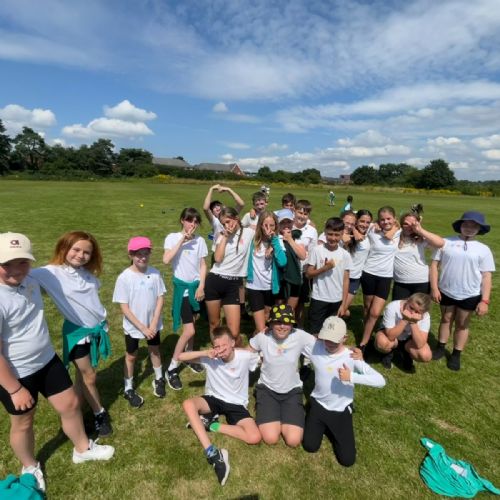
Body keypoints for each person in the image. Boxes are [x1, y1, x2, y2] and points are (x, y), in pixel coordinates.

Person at [0, 233, 114, 493]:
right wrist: (14, 390)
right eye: (6, 264)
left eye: (22, 262)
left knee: (71, 404)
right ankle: (30, 466)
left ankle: (82, 449)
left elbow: (64, 275)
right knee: (23, 422)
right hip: (15, 373)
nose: (16, 270)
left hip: (47, 360)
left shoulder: (32, 279)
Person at [30, 231, 112, 437]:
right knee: (89, 376)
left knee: (83, 376)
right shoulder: (49, 273)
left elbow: (91, 301)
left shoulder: (87, 274)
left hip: (97, 331)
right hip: (77, 333)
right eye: (76, 249)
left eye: (86, 252)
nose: (80, 255)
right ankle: (100, 414)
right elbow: (20, 274)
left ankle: (75, 412)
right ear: (64, 247)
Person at [180, 326, 261, 486]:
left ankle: (210, 425)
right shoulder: (211, 357)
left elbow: (262, 359)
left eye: (224, 345)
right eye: (217, 346)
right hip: (214, 399)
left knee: (254, 437)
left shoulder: (245, 357)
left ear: (233, 343)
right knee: (188, 404)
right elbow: (180, 356)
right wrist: (206, 353)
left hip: (236, 404)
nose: (221, 350)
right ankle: (213, 454)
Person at [302, 316, 385, 466]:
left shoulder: (351, 356)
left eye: (335, 340)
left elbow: (380, 381)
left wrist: (351, 377)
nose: (330, 343)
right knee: (310, 446)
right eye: (327, 339)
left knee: (347, 460)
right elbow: (296, 336)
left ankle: (331, 426)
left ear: (344, 338)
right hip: (319, 403)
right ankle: (322, 424)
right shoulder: (316, 347)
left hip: (340, 409)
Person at [430, 211, 495, 371]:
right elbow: (434, 266)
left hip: (470, 294)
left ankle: (456, 354)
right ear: (460, 225)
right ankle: (440, 347)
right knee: (446, 319)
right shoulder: (445, 242)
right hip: (446, 290)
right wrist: (434, 288)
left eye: (474, 226)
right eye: (466, 224)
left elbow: (486, 276)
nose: (469, 228)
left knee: (462, 324)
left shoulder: (483, 249)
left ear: (479, 228)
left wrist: (484, 300)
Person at [248, 305, 315, 447]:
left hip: (292, 391)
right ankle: (264, 405)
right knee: (270, 438)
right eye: (278, 322)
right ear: (271, 323)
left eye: (287, 322)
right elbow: (245, 353)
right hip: (267, 389)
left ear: (292, 324)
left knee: (293, 440)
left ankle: (279, 413)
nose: (282, 326)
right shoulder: (263, 337)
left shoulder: (300, 336)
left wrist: (348, 351)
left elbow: (324, 348)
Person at [113, 236, 166, 408]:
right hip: (134, 327)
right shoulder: (124, 278)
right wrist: (142, 327)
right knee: (131, 356)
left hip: (152, 325)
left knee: (155, 350)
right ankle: (128, 388)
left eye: (146, 253)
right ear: (131, 255)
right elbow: (124, 307)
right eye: (138, 254)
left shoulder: (155, 273)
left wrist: (153, 323)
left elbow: (160, 298)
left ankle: (159, 378)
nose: (142, 257)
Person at [163, 208, 208, 390]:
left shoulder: (200, 241)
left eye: (196, 222)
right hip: (183, 292)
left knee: (193, 326)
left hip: (196, 290)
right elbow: (166, 260)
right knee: (188, 331)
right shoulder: (172, 237)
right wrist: (183, 240)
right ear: (182, 220)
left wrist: (201, 286)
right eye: (190, 220)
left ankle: (189, 356)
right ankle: (172, 368)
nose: (193, 224)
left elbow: (203, 265)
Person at [204, 207, 254, 346]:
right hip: (215, 280)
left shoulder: (249, 232)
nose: (226, 225)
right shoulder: (221, 235)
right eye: (223, 223)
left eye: (228, 221)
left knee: (234, 331)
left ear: (236, 218)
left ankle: (236, 355)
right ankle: (218, 351)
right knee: (214, 324)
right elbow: (218, 258)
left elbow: (264, 227)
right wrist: (225, 237)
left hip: (233, 284)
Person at [358, 206, 401, 352]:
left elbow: (411, 224)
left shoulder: (399, 231)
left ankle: (363, 342)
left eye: (389, 219)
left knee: (375, 312)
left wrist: (395, 228)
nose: (385, 222)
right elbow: (357, 223)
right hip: (369, 273)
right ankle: (366, 338)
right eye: (382, 219)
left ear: (394, 219)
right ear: (378, 220)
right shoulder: (372, 228)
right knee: (367, 308)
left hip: (385, 277)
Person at [305, 218, 352, 335]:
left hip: (336, 300)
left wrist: (343, 304)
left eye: (337, 235)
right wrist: (324, 268)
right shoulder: (317, 250)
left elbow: (346, 280)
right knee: (315, 332)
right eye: (330, 234)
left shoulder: (345, 254)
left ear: (342, 234)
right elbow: (308, 274)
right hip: (319, 298)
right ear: (325, 232)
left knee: (331, 334)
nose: (333, 238)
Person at [246, 211, 287, 334]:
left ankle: (258, 341)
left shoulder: (278, 240)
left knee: (267, 318)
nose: (268, 228)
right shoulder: (252, 239)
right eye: (265, 225)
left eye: (272, 225)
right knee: (261, 327)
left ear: (276, 226)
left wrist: (274, 242)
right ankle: (257, 341)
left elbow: (283, 262)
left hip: (270, 286)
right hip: (254, 286)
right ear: (260, 225)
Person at [392, 212, 444, 300]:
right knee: (398, 307)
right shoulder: (395, 236)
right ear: (401, 224)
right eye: (406, 224)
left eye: (412, 224)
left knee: (419, 308)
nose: (409, 227)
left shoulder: (420, 239)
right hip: (400, 282)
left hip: (421, 281)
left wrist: (420, 231)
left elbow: (440, 243)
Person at [374, 293, 432, 371]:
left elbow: (420, 344)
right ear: (407, 301)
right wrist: (405, 320)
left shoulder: (425, 316)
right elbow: (390, 336)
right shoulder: (393, 307)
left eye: (418, 312)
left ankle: (406, 354)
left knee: (425, 355)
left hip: (408, 340)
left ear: (424, 312)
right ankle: (387, 354)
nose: (412, 313)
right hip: (391, 338)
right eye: (411, 308)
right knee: (382, 342)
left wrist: (413, 323)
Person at [289, 199, 318, 326]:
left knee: (301, 302)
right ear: (294, 211)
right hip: (287, 270)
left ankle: (299, 326)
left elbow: (313, 252)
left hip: (302, 271)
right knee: (286, 300)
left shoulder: (311, 231)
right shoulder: (287, 225)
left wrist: (308, 271)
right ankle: (284, 324)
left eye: (305, 214)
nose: (302, 216)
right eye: (300, 212)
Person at [343, 210, 373, 318]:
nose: (365, 225)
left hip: (355, 278)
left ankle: (345, 314)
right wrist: (353, 230)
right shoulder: (347, 233)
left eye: (367, 222)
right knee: (336, 307)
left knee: (342, 309)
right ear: (356, 221)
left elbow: (393, 223)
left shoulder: (370, 233)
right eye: (362, 221)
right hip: (341, 275)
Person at [203, 184, 245, 251]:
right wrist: (211, 189)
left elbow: (241, 204)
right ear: (212, 213)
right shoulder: (214, 220)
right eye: (214, 207)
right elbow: (205, 208)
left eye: (218, 205)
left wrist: (229, 190)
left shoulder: (230, 216)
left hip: (232, 248)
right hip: (218, 249)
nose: (217, 207)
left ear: (223, 207)